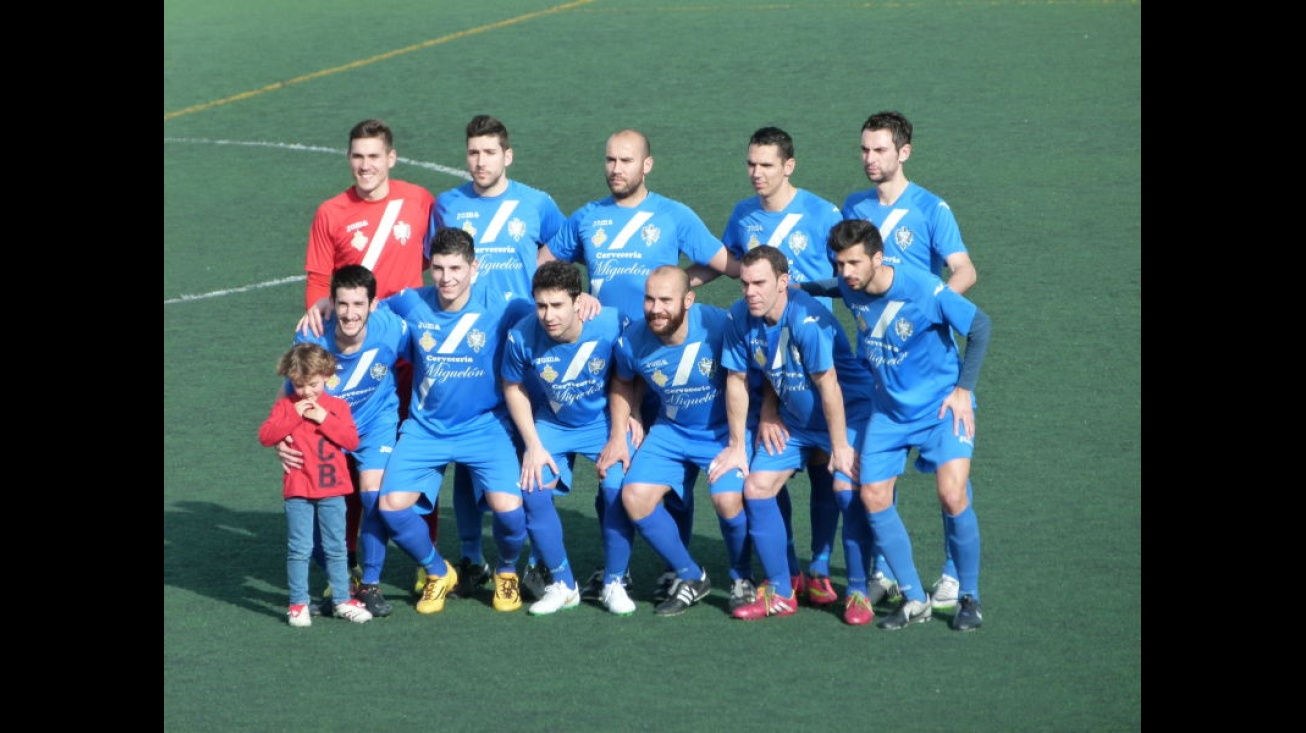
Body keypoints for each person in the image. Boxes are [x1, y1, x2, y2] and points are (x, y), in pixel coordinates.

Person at [543, 128, 741, 603]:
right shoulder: (588, 217)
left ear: (646, 165)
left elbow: (723, 263)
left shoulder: (674, 215)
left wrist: (676, 285)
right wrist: (577, 295)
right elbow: (545, 261)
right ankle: (620, 573)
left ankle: (679, 567)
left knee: (677, 477)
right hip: (613, 364)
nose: (616, 169)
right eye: (610, 160)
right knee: (616, 462)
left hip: (669, 359)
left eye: (626, 161)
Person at [285, 118, 440, 587]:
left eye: (374, 156)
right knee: (347, 452)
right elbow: (317, 283)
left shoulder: (419, 201)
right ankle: (350, 555)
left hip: (405, 355)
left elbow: (435, 264)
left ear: (391, 158)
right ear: (349, 158)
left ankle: (422, 556)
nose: (365, 165)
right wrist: (317, 326)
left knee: (414, 457)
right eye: (358, 156)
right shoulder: (330, 212)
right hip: (350, 354)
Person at [841, 110, 980, 612]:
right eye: (864, 150)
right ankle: (885, 570)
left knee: (950, 482)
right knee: (876, 479)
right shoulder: (854, 206)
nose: (869, 159)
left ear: (904, 152)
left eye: (879, 150)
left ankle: (950, 573)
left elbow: (964, 270)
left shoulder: (929, 209)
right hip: (876, 365)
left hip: (923, 358)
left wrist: (925, 306)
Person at [824, 218, 990, 632]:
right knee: (874, 495)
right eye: (840, 264)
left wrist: (963, 391)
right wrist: (789, 289)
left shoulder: (923, 288)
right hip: (889, 413)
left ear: (878, 258)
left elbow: (980, 326)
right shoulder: (849, 285)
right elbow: (829, 288)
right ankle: (915, 598)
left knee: (953, 495)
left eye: (853, 263)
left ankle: (969, 596)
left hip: (940, 410)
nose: (845, 273)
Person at [430, 114, 570, 602]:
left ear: (507, 156)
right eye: (473, 152)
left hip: (528, 350)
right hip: (468, 351)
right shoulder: (447, 205)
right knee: (470, 462)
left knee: (525, 452)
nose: (480, 161)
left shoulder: (536, 204)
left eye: (489, 152)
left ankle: (528, 562)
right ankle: (471, 557)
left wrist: (576, 300)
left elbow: (558, 257)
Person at [712, 246, 877, 625]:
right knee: (756, 488)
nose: (750, 291)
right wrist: (739, 445)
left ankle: (857, 592)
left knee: (845, 489)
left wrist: (839, 447)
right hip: (796, 422)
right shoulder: (740, 318)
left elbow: (829, 385)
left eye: (759, 283)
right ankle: (782, 592)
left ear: (783, 282)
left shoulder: (807, 319)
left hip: (847, 416)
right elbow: (738, 379)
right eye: (744, 283)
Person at [374, 227, 535, 615]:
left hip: (485, 426)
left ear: (474, 268)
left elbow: (549, 312)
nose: (446, 278)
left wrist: (582, 304)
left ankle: (507, 570)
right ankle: (437, 570)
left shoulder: (504, 305)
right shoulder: (411, 303)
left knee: (511, 512)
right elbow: (367, 310)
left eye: (456, 268)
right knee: (391, 507)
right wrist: (329, 307)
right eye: (439, 268)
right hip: (426, 428)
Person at [720, 126, 847, 607]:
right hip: (776, 367)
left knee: (823, 470)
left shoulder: (822, 214)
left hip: (818, 358)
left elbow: (848, 276)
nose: (756, 173)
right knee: (774, 464)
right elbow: (732, 265)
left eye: (766, 165)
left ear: (788, 166)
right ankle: (788, 572)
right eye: (751, 164)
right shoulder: (743, 215)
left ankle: (820, 568)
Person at [596, 265, 753, 617]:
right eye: (649, 299)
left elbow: (750, 375)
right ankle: (692, 575)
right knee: (634, 497)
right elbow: (623, 381)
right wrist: (621, 430)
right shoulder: (633, 339)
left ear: (689, 300)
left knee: (728, 499)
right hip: (671, 431)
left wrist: (749, 431)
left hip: (720, 433)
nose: (655, 308)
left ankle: (742, 577)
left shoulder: (719, 325)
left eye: (666, 300)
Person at [501, 261, 638, 615]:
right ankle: (563, 583)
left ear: (578, 302)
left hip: (603, 421)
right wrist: (532, 444)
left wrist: (631, 418)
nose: (548, 315)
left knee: (617, 488)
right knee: (531, 488)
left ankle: (615, 580)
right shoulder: (521, 335)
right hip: (554, 424)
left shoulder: (609, 322)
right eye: (541, 305)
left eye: (557, 305)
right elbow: (513, 386)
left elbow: (630, 373)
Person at [291, 264, 410, 618]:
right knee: (314, 505)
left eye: (359, 304)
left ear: (374, 305)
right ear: (331, 302)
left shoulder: (393, 329)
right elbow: (292, 395)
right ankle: (342, 577)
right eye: (342, 304)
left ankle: (370, 584)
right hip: (326, 428)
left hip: (376, 423)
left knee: (373, 496)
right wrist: (285, 439)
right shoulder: (312, 337)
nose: (349, 313)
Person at [257, 343, 372, 627]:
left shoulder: (338, 407)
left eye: (313, 384)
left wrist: (323, 418)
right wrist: (294, 414)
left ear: (327, 376)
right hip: (298, 490)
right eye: (299, 385)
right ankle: (298, 603)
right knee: (299, 549)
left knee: (336, 548)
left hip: (333, 490)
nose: (307, 392)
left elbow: (351, 440)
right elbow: (266, 435)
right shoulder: (286, 406)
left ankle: (343, 600)